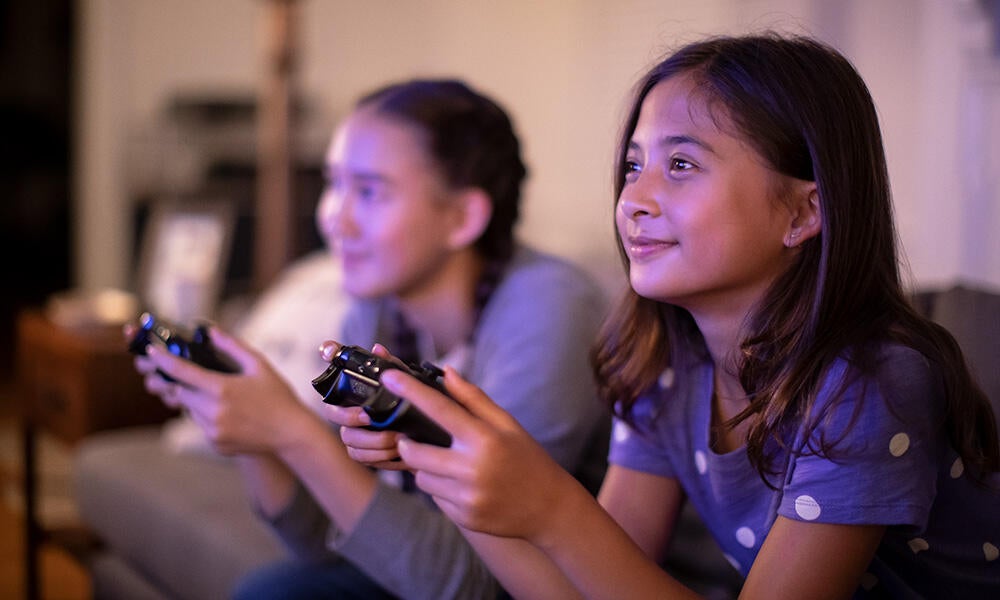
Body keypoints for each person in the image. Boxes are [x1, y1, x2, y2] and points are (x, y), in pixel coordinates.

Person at [348, 34, 1000, 598]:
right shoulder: (669, 364)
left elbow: (573, 538)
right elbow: (584, 589)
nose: (634, 198)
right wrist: (437, 460)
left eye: (681, 164)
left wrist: (553, 507)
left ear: (803, 212)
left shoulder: (869, 384)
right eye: (634, 165)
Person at [129, 79, 611, 599]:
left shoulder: (549, 310)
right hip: (427, 566)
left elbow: (475, 586)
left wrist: (293, 430)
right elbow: (324, 541)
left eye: (369, 191)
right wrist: (253, 435)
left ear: (462, 217)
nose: (334, 217)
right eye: (334, 184)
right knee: (273, 589)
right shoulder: (377, 307)